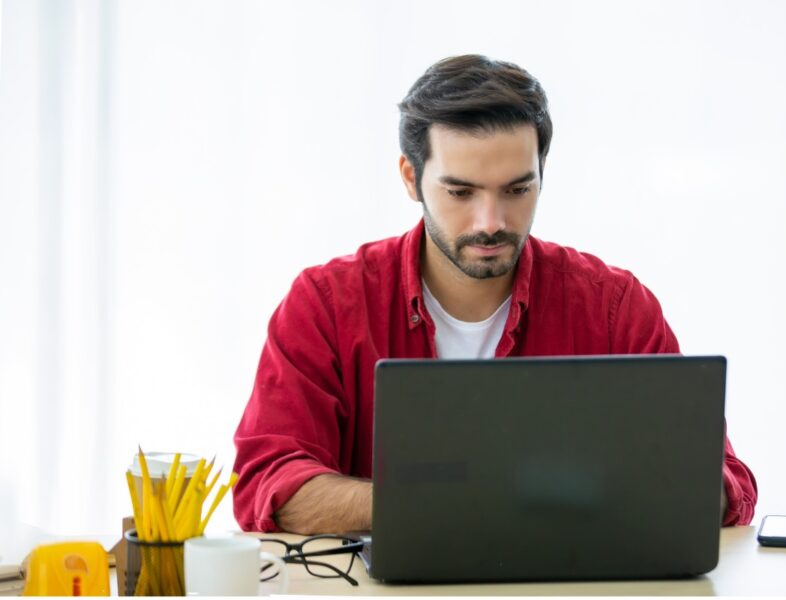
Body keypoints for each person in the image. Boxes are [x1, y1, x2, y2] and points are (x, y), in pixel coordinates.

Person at [233, 54, 757, 534]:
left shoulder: (613, 308)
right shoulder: (326, 304)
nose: (492, 223)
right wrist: (464, 501)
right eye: (460, 192)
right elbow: (269, 483)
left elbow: (720, 485)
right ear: (410, 178)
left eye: (517, 189)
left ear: (542, 174)